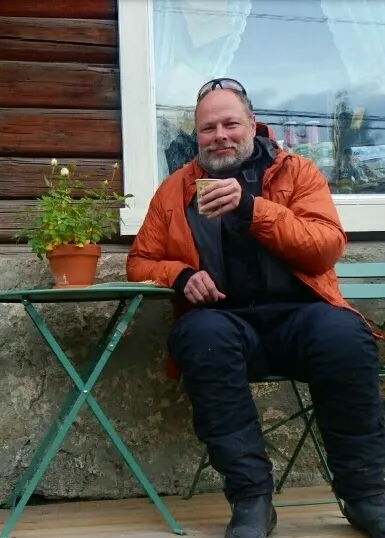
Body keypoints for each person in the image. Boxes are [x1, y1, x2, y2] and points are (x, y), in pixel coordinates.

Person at [126, 78, 385, 538]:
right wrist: (180, 276)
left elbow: (325, 247)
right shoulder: (174, 190)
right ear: (196, 135)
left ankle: (366, 494)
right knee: (199, 337)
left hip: (301, 316)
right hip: (224, 321)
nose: (220, 136)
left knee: (346, 337)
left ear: (252, 124)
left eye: (230, 124)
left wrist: (252, 209)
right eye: (208, 128)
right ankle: (251, 500)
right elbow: (139, 262)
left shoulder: (298, 172)